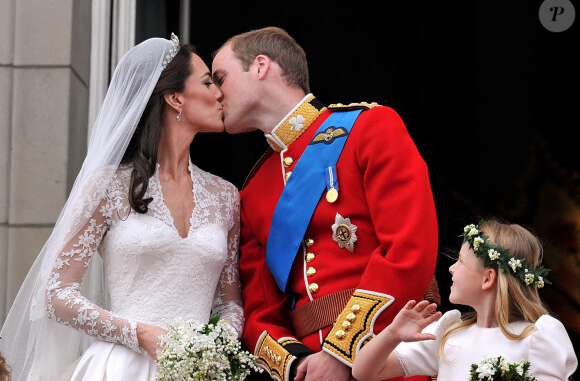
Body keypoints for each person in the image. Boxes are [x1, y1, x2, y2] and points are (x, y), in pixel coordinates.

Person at [0, 34, 244, 381]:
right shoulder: (107, 186)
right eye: (207, 82)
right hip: (121, 369)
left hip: (200, 372)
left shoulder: (226, 197)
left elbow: (229, 304)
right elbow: (55, 293)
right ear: (175, 98)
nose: (219, 93)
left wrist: (216, 343)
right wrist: (138, 333)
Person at [211, 26, 439, 381]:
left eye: (220, 78)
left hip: (388, 358)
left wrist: (341, 351)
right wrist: (299, 364)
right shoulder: (253, 191)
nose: (216, 95)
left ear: (260, 66)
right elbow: (259, 315)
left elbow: (410, 251)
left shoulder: (369, 128)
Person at [352, 218, 578, 380]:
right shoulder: (447, 333)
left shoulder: (537, 336)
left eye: (460, 261)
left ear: (488, 278)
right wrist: (392, 334)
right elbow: (364, 372)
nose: (451, 268)